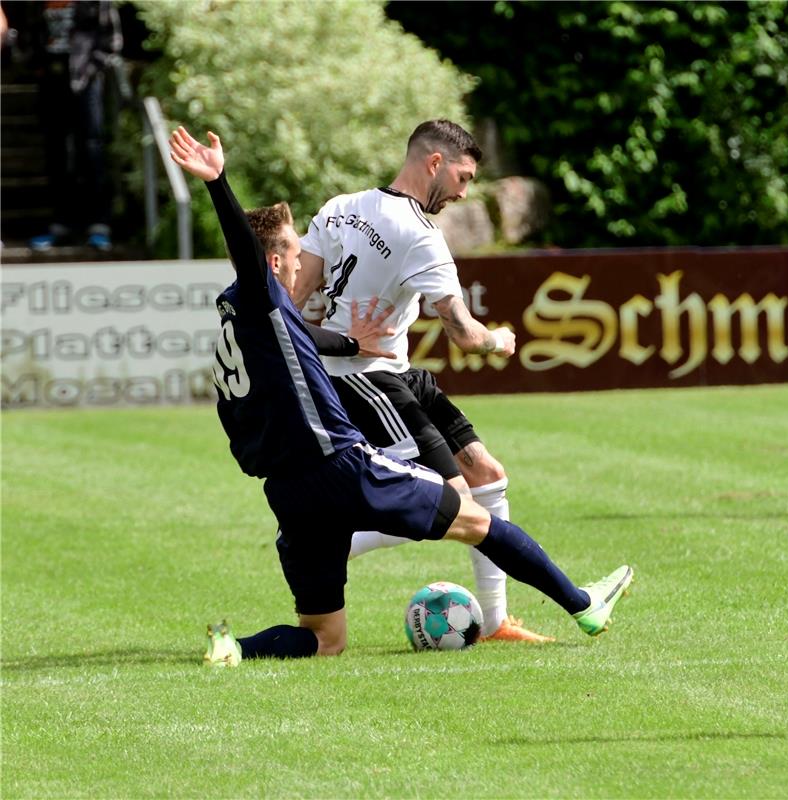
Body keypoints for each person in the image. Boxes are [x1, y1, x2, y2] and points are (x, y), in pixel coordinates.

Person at [166, 125, 633, 667]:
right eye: (291, 257)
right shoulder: (265, 288)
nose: (299, 267)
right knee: (473, 516)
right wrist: (218, 182)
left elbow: (290, 321)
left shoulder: (238, 316)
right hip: (340, 460)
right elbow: (257, 259)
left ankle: (233, 648)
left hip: (288, 489)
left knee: (325, 639)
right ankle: (583, 604)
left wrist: (343, 339)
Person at [290, 119, 549, 643]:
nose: (463, 192)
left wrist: (334, 336)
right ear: (435, 163)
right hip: (369, 379)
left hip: (393, 372)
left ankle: (496, 622)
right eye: (463, 176)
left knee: (486, 473)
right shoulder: (421, 235)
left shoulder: (342, 206)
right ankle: (329, 541)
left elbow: (291, 303)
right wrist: (499, 338)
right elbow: (464, 334)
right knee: (451, 502)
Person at [28, 0, 122, 251]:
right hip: (51, 82)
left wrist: (92, 69)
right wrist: (38, 66)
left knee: (91, 150)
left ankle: (98, 225)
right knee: (56, 152)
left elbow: (111, 41)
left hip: (85, 81)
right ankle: (61, 225)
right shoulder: (39, 3)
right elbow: (33, 34)